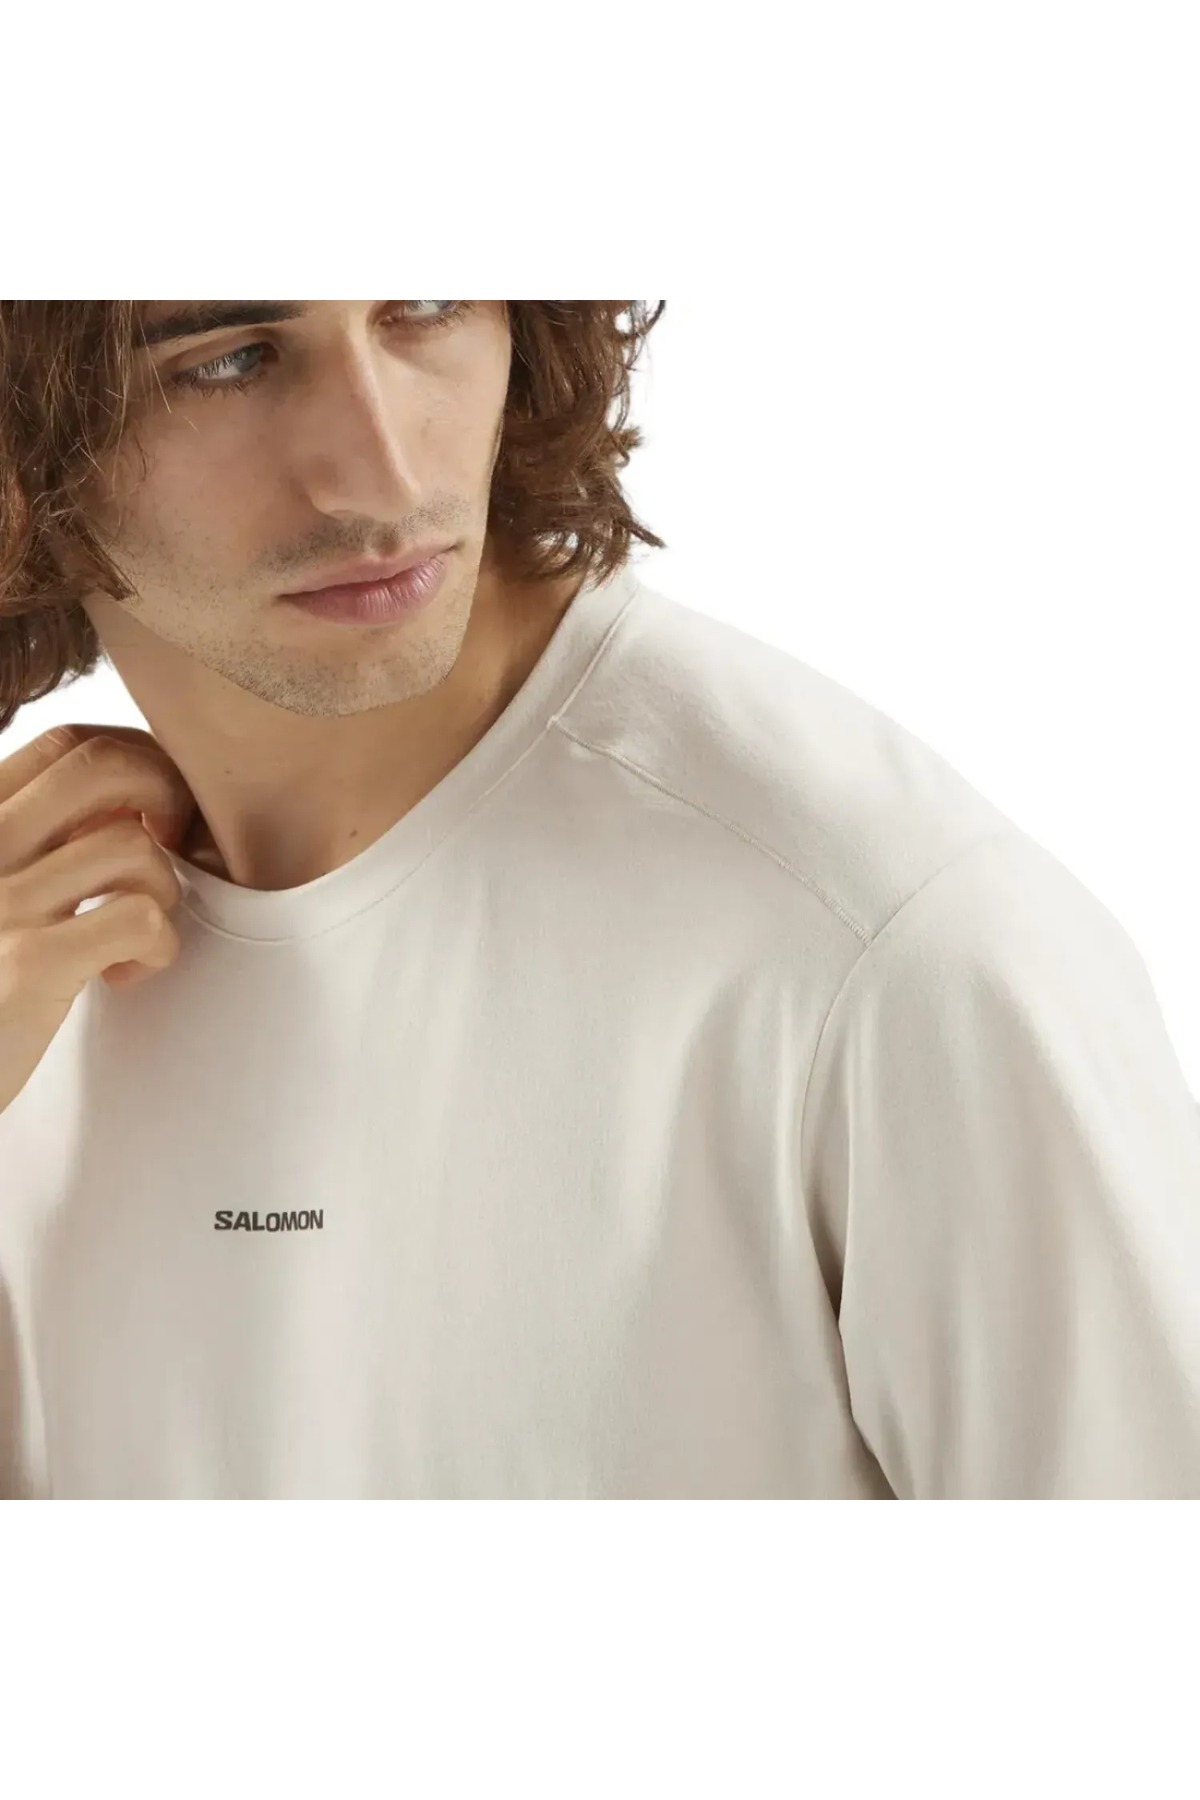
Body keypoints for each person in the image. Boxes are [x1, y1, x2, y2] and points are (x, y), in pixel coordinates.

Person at [0, 300, 1197, 1501]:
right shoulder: (32, 987)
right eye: (228, 362)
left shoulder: (887, 953)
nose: (387, 472)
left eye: (430, 305)